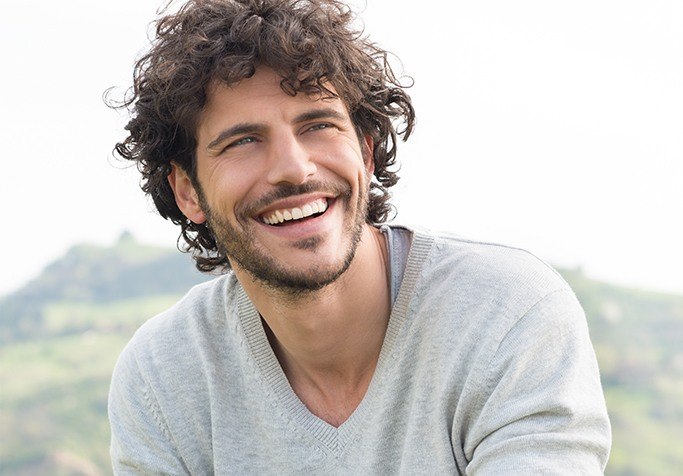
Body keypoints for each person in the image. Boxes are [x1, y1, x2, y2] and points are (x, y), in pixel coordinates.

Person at [107, 0, 611, 473]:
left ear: (366, 154)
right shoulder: (163, 377)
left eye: (318, 125)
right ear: (187, 191)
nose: (294, 169)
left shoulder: (506, 314)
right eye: (243, 141)